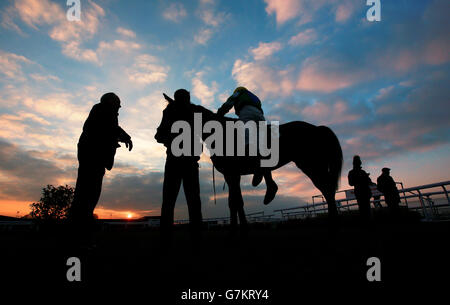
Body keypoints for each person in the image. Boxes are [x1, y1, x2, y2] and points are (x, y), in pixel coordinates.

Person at [68, 92, 133, 240]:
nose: (120, 107)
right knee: (86, 198)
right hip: (93, 160)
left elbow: (111, 128)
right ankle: (77, 237)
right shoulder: (102, 111)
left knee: (87, 198)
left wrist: (123, 137)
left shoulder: (103, 113)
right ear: (110, 103)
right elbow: (106, 129)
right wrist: (118, 138)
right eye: (118, 103)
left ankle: (78, 235)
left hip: (95, 161)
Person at [155, 89, 203, 244]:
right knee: (192, 201)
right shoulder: (193, 111)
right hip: (186, 161)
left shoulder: (172, 111)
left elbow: (159, 135)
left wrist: (171, 140)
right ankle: (196, 239)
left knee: (170, 201)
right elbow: (160, 135)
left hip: (176, 161)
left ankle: (165, 240)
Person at [217, 86, 278, 205]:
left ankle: (258, 170)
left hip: (247, 114)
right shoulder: (255, 98)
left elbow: (229, 103)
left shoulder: (239, 92)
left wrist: (219, 113)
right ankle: (269, 181)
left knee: (245, 142)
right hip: (260, 116)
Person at [348, 155, 372, 221]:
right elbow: (351, 183)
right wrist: (363, 178)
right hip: (361, 193)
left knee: (365, 209)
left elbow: (368, 181)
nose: (360, 163)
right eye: (358, 161)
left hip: (364, 192)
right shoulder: (354, 172)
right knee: (364, 209)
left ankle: (366, 222)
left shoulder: (360, 172)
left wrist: (367, 178)